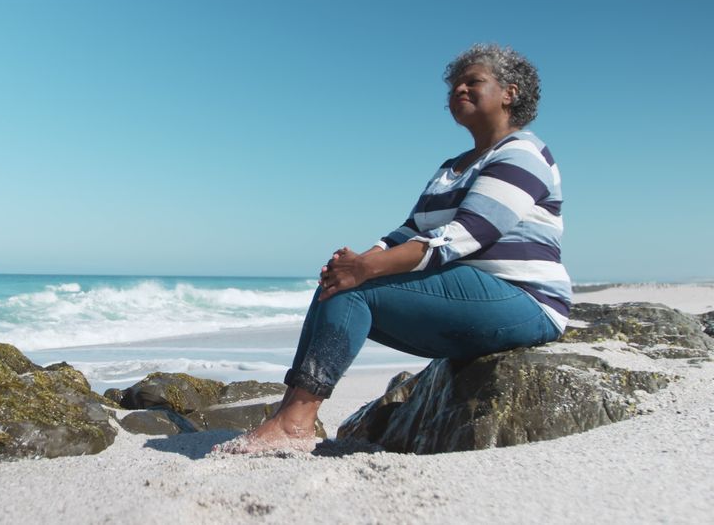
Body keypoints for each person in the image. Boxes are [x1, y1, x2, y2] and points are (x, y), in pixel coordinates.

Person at [217, 43, 571, 454]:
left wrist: (367, 270)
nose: (458, 89)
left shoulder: (522, 153)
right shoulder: (451, 167)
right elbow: (409, 230)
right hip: (467, 295)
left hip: (524, 301)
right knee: (338, 284)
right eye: (454, 84)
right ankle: (291, 416)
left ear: (510, 92)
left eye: (473, 82)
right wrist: (358, 260)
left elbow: (467, 233)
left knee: (358, 285)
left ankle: (295, 422)